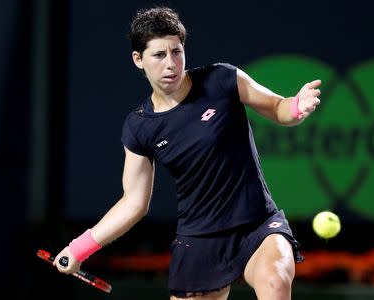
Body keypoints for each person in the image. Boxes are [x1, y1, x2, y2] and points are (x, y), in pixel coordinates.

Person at [53, 6, 321, 300]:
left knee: (276, 281)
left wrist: (296, 107)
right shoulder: (140, 127)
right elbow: (133, 203)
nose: (171, 63)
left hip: (257, 225)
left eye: (176, 51)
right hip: (199, 240)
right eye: (159, 55)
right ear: (138, 60)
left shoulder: (222, 79)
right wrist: (78, 248)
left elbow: (277, 107)